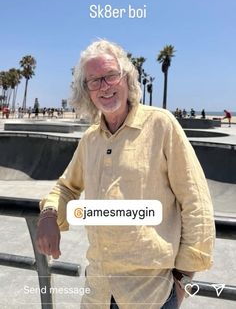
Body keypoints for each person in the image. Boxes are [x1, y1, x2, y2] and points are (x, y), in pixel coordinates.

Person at [36, 40, 215, 309]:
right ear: (86, 91)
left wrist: (183, 280)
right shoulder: (90, 139)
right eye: (93, 80)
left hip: (151, 296)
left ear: (127, 77)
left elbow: (196, 200)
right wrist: (49, 214)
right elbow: (66, 187)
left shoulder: (161, 125)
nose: (103, 86)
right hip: (97, 292)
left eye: (110, 75)